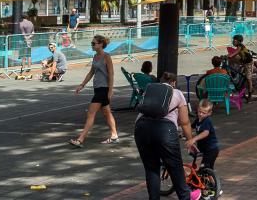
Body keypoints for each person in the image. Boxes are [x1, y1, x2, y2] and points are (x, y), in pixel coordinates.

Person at [134, 72, 200, 200]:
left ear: (160, 81)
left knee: (151, 169)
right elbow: (185, 122)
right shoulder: (178, 93)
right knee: (175, 168)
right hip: (164, 130)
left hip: (141, 128)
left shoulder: (150, 90)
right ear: (174, 83)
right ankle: (185, 197)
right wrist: (190, 141)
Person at [69, 34, 119, 147]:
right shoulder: (95, 56)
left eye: (93, 43)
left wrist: (110, 90)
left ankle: (80, 139)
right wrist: (82, 85)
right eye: (92, 43)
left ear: (100, 44)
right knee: (107, 113)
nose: (92, 45)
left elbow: (111, 74)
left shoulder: (107, 57)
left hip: (103, 89)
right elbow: (91, 72)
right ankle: (114, 135)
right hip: (97, 88)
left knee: (91, 113)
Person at [190, 100, 220, 169]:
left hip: (211, 149)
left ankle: (209, 178)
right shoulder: (198, 120)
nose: (200, 114)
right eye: (199, 111)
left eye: (204, 113)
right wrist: (182, 134)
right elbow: (191, 127)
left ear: (209, 113)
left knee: (204, 168)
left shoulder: (207, 120)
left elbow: (205, 133)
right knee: (208, 169)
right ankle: (210, 179)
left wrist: (194, 139)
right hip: (205, 148)